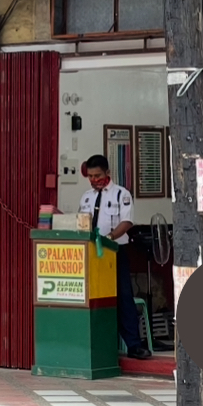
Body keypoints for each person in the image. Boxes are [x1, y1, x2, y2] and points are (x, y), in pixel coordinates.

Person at [79, 154, 151, 360]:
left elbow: (126, 222)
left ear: (107, 173)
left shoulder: (121, 194)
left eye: (98, 175)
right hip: (91, 254)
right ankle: (98, 344)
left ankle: (134, 345)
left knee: (123, 297)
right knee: (93, 298)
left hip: (114, 252)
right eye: (90, 176)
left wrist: (109, 238)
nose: (94, 180)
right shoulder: (86, 197)